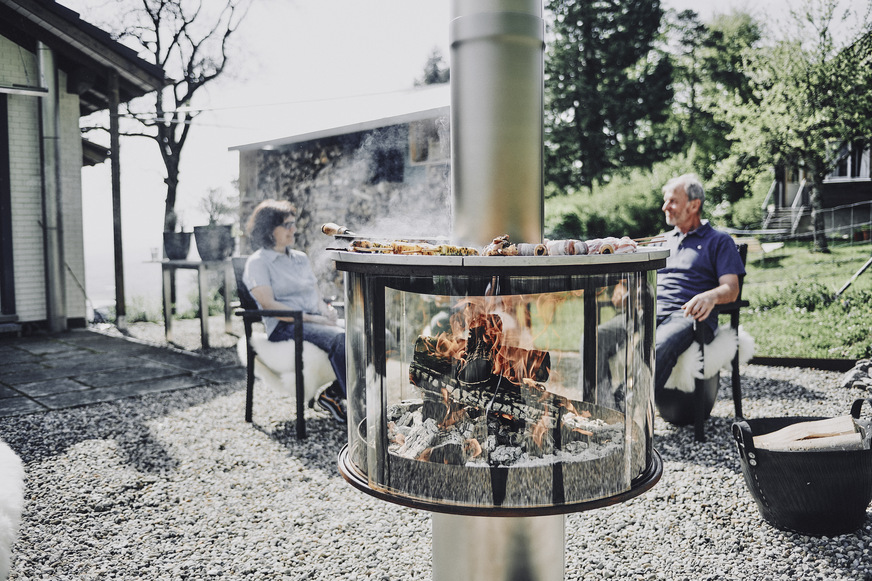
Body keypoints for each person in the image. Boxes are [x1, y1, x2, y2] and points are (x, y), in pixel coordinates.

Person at [242, 199, 347, 424]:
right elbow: (269, 304)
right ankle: (360, 405)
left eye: (293, 224)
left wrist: (326, 311)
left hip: (313, 321)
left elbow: (314, 294)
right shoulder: (258, 262)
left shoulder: (300, 258)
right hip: (285, 326)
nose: (294, 229)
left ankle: (334, 394)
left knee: (376, 334)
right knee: (342, 339)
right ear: (269, 230)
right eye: (287, 225)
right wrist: (314, 319)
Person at [654, 173, 746, 394]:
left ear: (694, 205)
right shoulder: (662, 241)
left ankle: (627, 417)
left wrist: (709, 296)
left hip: (689, 315)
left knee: (657, 346)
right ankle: (600, 410)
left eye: (673, 201)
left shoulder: (719, 240)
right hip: (652, 310)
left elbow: (732, 289)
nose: (665, 206)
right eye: (666, 200)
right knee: (600, 336)